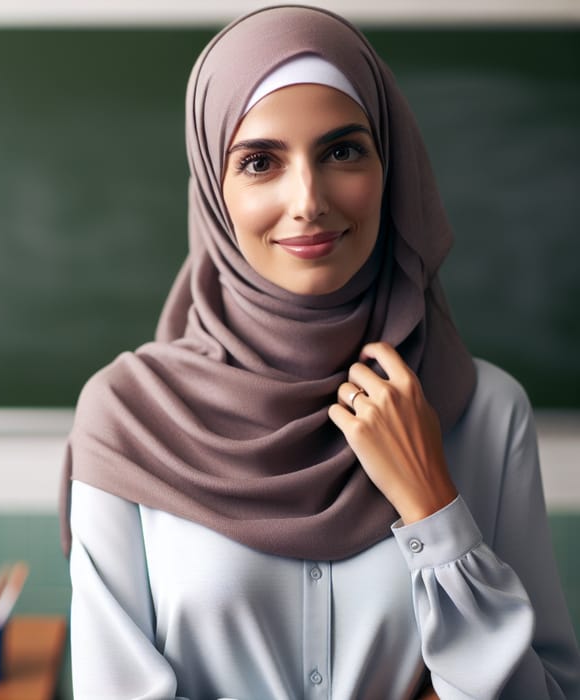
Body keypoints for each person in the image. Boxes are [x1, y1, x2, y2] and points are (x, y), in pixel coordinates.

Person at [59, 5, 580, 699]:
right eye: (259, 162)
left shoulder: (484, 413)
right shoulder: (127, 420)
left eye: (342, 151)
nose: (307, 200)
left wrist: (434, 508)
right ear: (215, 193)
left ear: (391, 169)